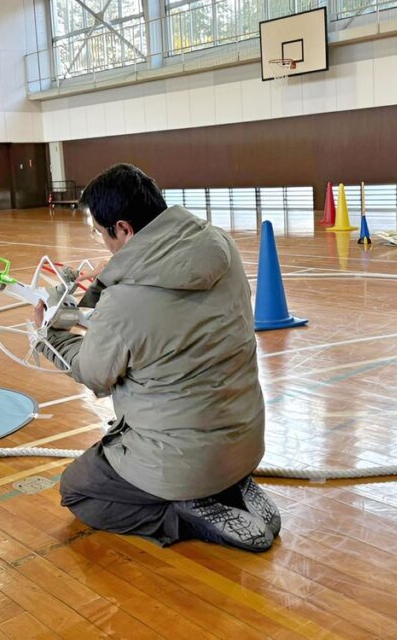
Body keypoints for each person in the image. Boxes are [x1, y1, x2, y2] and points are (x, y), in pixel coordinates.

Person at [34, 163, 279, 552]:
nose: (104, 245)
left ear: (124, 229)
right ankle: (229, 483)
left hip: (181, 458)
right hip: (245, 437)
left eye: (103, 234)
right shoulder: (221, 246)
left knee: (78, 491)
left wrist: (48, 336)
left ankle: (186, 511)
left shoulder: (125, 301)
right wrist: (106, 281)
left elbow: (95, 373)